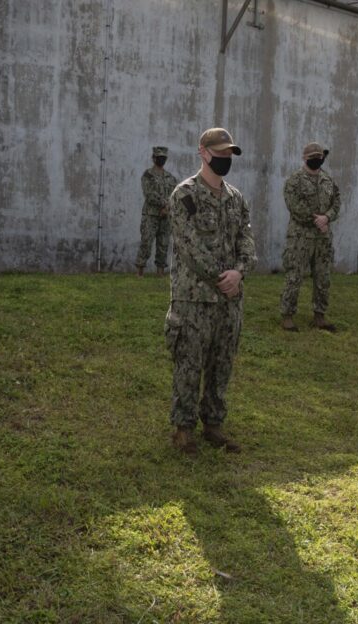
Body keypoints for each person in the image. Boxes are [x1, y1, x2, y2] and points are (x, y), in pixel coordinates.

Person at [164, 128, 256, 455]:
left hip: (229, 301)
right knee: (189, 363)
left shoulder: (236, 199)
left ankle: (213, 424)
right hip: (193, 299)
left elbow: (246, 239)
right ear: (202, 152)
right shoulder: (184, 195)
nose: (225, 159)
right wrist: (223, 276)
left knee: (221, 363)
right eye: (219, 153)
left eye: (229, 153)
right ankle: (183, 429)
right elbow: (189, 246)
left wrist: (240, 271)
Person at [279, 141, 340, 332]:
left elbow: (336, 203)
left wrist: (327, 217)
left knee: (323, 277)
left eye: (320, 157)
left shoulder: (328, 180)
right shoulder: (294, 180)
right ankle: (287, 315)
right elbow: (294, 206)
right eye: (313, 158)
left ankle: (319, 315)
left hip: (323, 239)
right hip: (300, 238)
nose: (317, 161)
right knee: (294, 276)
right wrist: (318, 221)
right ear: (304, 158)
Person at [135, 146, 177, 277]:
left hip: (166, 215)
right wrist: (164, 204)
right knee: (146, 242)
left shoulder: (171, 177)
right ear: (153, 158)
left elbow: (175, 195)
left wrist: (168, 208)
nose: (161, 160)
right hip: (151, 215)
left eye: (163, 158)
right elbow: (149, 194)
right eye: (159, 157)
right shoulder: (148, 175)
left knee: (163, 244)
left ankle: (160, 272)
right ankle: (140, 271)